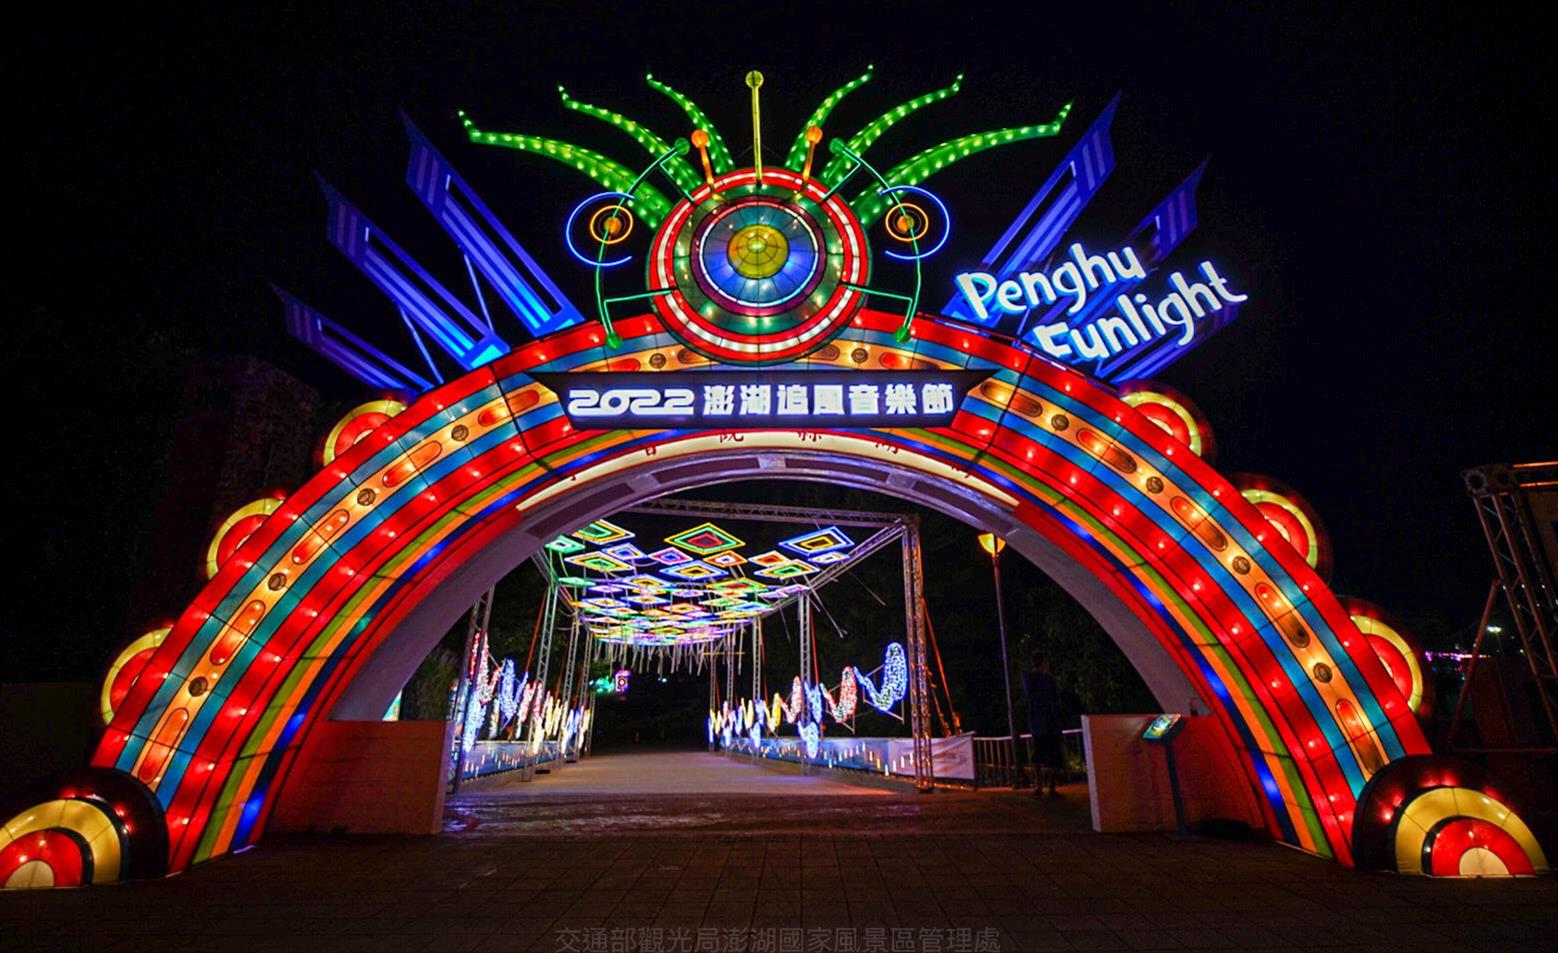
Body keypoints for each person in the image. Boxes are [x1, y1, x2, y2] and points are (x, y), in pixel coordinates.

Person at [1021, 649, 1063, 797]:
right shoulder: (1045, 680)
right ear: (1043, 663)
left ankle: (1040, 786)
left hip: (1039, 722)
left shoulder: (1029, 679)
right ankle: (1049, 786)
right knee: (1051, 755)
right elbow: (1055, 697)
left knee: (1040, 755)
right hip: (1048, 721)